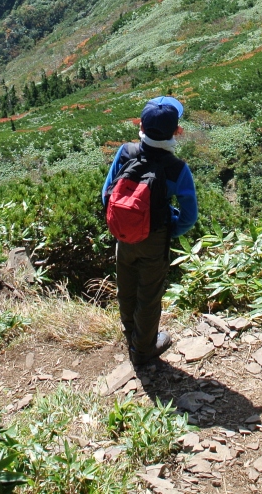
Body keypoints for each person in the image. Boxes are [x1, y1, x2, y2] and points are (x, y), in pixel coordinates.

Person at [101, 95, 198, 366]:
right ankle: (143, 349)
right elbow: (189, 217)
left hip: (123, 234)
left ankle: (130, 332)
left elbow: (106, 195)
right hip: (155, 238)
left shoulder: (125, 152)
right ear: (176, 131)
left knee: (127, 284)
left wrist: (124, 220)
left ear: (140, 126)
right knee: (150, 293)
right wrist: (169, 228)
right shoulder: (177, 169)